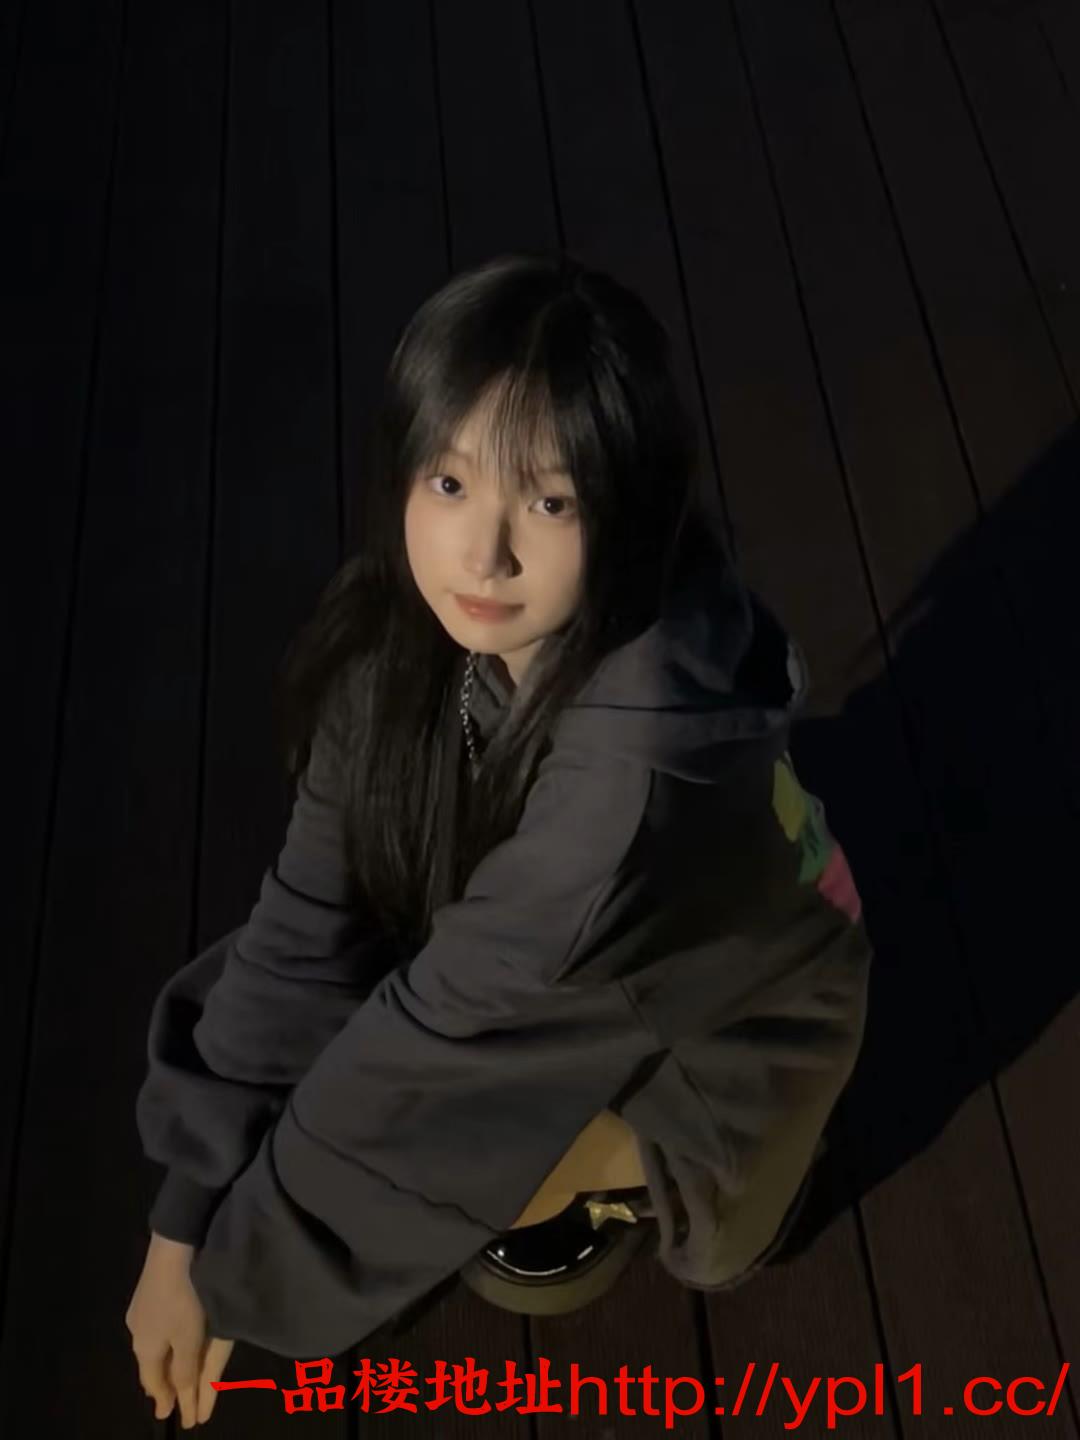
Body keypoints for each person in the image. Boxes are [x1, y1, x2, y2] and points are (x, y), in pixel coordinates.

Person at [125, 251, 872, 1426]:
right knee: (378, 1039)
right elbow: (305, 922)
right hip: (572, 942)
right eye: (450, 481)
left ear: (627, 509)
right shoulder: (407, 624)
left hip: (743, 1013)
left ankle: (658, 1164)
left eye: (551, 501)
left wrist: (225, 1275)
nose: (483, 555)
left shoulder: (630, 791)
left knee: (482, 1161)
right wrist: (185, 1214)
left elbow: (434, 1058)